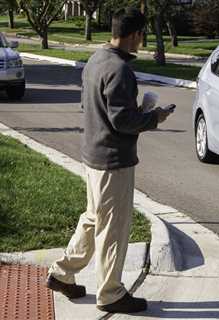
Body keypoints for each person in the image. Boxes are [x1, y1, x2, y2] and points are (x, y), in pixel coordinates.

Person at [45, 8, 172, 314]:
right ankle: (111, 293)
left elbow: (102, 110)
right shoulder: (119, 69)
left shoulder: (95, 60)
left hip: (93, 155)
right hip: (113, 161)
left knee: (94, 218)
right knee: (113, 228)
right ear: (134, 35)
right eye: (142, 35)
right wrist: (154, 116)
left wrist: (138, 112)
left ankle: (62, 273)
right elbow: (122, 120)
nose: (142, 41)